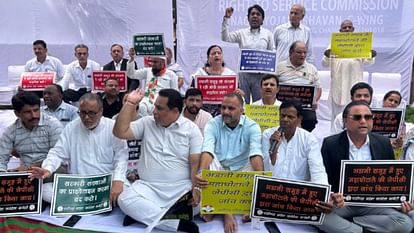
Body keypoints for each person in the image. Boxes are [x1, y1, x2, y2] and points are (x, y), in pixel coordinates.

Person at [113, 89, 202, 233]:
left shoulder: (191, 129)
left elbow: (195, 163)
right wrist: (130, 103)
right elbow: (119, 132)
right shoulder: (147, 122)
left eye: (160, 108)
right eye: (155, 106)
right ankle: (175, 224)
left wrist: (195, 190)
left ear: (174, 111)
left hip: (180, 190)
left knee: (201, 203)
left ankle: (143, 215)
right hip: (148, 188)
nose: (154, 111)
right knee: (124, 199)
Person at [320, 100, 414, 233]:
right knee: (318, 216)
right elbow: (324, 177)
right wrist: (332, 196)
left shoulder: (383, 143)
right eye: (357, 117)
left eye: (368, 117)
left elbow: (391, 181)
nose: (363, 121)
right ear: (345, 121)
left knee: (405, 223)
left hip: (374, 205)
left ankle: (350, 225)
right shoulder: (330, 144)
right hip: (342, 204)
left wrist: (398, 202)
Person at [30, 93, 128, 206]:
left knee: (127, 195)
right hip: (78, 185)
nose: (86, 117)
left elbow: (121, 157)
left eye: (91, 113)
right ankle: (97, 203)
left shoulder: (113, 127)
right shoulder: (71, 127)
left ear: (101, 111)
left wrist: (118, 180)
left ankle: (86, 203)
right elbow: (57, 152)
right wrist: (48, 168)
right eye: (83, 112)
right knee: (45, 190)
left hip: (106, 183)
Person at [262, 100, 345, 230]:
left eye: (290, 117)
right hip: (273, 196)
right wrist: (273, 151)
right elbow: (265, 170)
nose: (285, 120)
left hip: (298, 197)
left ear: (299, 119)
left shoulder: (308, 139)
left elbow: (317, 170)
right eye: (282, 115)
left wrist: (323, 195)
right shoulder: (268, 135)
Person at [195, 92, 263, 233]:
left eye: (231, 108)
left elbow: (255, 153)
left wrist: (262, 180)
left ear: (242, 110)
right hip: (220, 170)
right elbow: (207, 150)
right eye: (223, 107)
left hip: (241, 171)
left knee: (257, 164)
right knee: (208, 162)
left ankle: (232, 206)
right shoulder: (213, 124)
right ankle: (227, 212)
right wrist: (201, 173)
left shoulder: (252, 126)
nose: (225, 112)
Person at [322, 19, 376, 125]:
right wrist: (327, 55)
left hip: (354, 86)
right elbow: (324, 63)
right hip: (338, 86)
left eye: (349, 27)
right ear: (340, 30)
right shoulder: (333, 44)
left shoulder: (360, 43)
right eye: (344, 27)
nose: (347, 29)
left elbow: (369, 62)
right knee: (338, 118)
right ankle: (336, 138)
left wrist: (371, 55)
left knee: (354, 116)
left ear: (353, 29)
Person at [221, 4, 275, 104]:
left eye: (258, 14)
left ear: (262, 19)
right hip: (244, 75)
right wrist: (226, 19)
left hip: (260, 75)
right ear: (248, 18)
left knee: (259, 103)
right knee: (242, 102)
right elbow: (225, 37)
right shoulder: (242, 33)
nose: (255, 16)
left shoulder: (268, 34)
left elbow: (272, 53)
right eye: (252, 14)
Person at [0, 91, 63, 172]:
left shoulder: (53, 125)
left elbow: (59, 156)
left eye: (36, 110)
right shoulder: (11, 131)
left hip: (51, 171)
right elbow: (1, 159)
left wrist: (29, 168)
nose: (34, 115)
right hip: (26, 176)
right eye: (28, 112)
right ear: (17, 114)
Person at [276, 41, 321, 132]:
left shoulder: (312, 69)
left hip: (304, 106)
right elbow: (273, 84)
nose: (303, 55)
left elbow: (318, 89)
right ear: (290, 52)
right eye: (299, 52)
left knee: (311, 119)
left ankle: (301, 138)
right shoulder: (279, 67)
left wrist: (314, 101)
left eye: (305, 52)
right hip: (282, 105)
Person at [190, 45, 237, 117]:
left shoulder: (230, 74)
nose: (216, 55)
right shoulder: (200, 74)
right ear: (208, 58)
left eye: (219, 53)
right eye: (213, 53)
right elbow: (193, 92)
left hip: (225, 111)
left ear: (222, 57)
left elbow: (236, 94)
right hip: (203, 111)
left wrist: (239, 93)